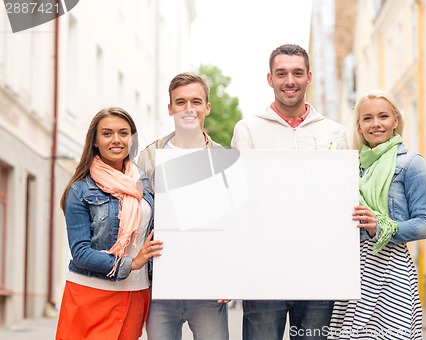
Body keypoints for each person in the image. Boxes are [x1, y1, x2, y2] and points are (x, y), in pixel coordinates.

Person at [231, 44, 348, 340]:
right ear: (270, 79)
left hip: (318, 270)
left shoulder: (334, 133)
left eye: (297, 73)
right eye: (281, 73)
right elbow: (238, 202)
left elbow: (342, 200)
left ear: (309, 77)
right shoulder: (248, 130)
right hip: (264, 271)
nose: (289, 81)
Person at [328, 90, 426, 339]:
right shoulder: (349, 166)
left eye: (383, 116)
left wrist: (383, 226)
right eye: (368, 118)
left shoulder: (411, 163)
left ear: (395, 120)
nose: (376, 124)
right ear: (359, 126)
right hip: (354, 273)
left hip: (392, 272)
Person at [56, 107, 163, 340]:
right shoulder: (80, 190)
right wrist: (132, 263)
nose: (116, 140)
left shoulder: (144, 182)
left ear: (131, 139)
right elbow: (81, 253)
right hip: (90, 293)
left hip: (136, 293)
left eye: (123, 133)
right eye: (107, 133)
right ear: (95, 141)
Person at [137, 72, 230, 340]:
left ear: (207, 108)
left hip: (209, 289)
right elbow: (136, 215)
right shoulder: (149, 157)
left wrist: (231, 276)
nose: (189, 109)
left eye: (196, 101)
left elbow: (234, 225)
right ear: (170, 108)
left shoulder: (224, 159)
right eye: (181, 102)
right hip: (160, 287)